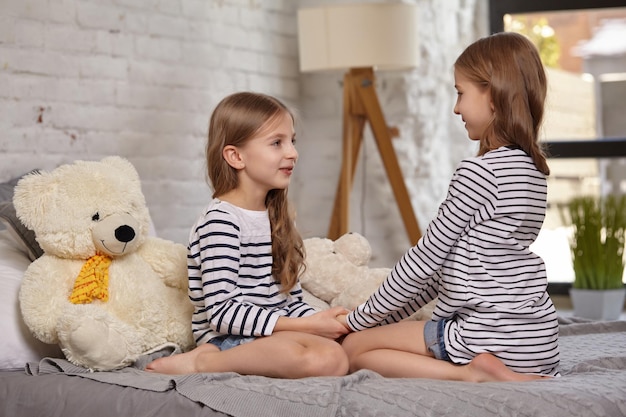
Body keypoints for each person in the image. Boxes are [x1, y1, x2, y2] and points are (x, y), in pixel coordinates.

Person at [338, 32, 560, 382]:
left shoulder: (479, 172)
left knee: (353, 350)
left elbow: (426, 259)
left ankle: (472, 374)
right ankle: (499, 370)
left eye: (460, 93)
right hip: (538, 341)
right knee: (380, 335)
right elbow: (443, 272)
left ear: (494, 93)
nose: (456, 108)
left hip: (488, 336)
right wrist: (383, 316)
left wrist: (356, 322)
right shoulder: (533, 171)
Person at [146, 92, 350, 378]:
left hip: (272, 332)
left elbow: (289, 303)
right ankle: (202, 362)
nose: (292, 152)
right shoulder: (220, 222)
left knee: (351, 346)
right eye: (277, 143)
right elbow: (223, 313)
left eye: (292, 141)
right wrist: (305, 327)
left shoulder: (275, 216)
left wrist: (324, 320)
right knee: (330, 360)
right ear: (236, 156)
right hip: (229, 339)